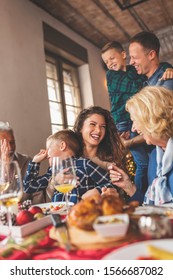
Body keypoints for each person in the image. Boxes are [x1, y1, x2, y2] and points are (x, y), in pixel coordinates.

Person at [108, 86, 173, 205]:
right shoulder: (156, 156)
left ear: (153, 118)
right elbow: (151, 207)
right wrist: (128, 186)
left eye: (135, 120)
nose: (134, 128)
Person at [101, 41, 150, 195]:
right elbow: (136, 87)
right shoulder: (111, 75)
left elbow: (149, 74)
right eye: (106, 62)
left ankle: (150, 191)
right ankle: (140, 196)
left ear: (123, 55)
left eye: (112, 59)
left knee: (148, 154)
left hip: (138, 118)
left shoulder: (131, 70)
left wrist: (168, 67)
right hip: (124, 122)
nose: (109, 64)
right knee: (142, 162)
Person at [23, 129, 118, 204]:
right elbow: (28, 187)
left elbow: (109, 183)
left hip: (83, 213)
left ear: (62, 146)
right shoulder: (53, 172)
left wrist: (98, 191)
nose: (46, 153)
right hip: (60, 215)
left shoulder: (85, 164)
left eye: (49, 148)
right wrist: (35, 162)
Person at [0, 121, 45, 204]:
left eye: (12, 142)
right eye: (4, 144)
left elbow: (37, 194)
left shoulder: (27, 161)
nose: (10, 148)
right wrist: (5, 166)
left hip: (27, 214)